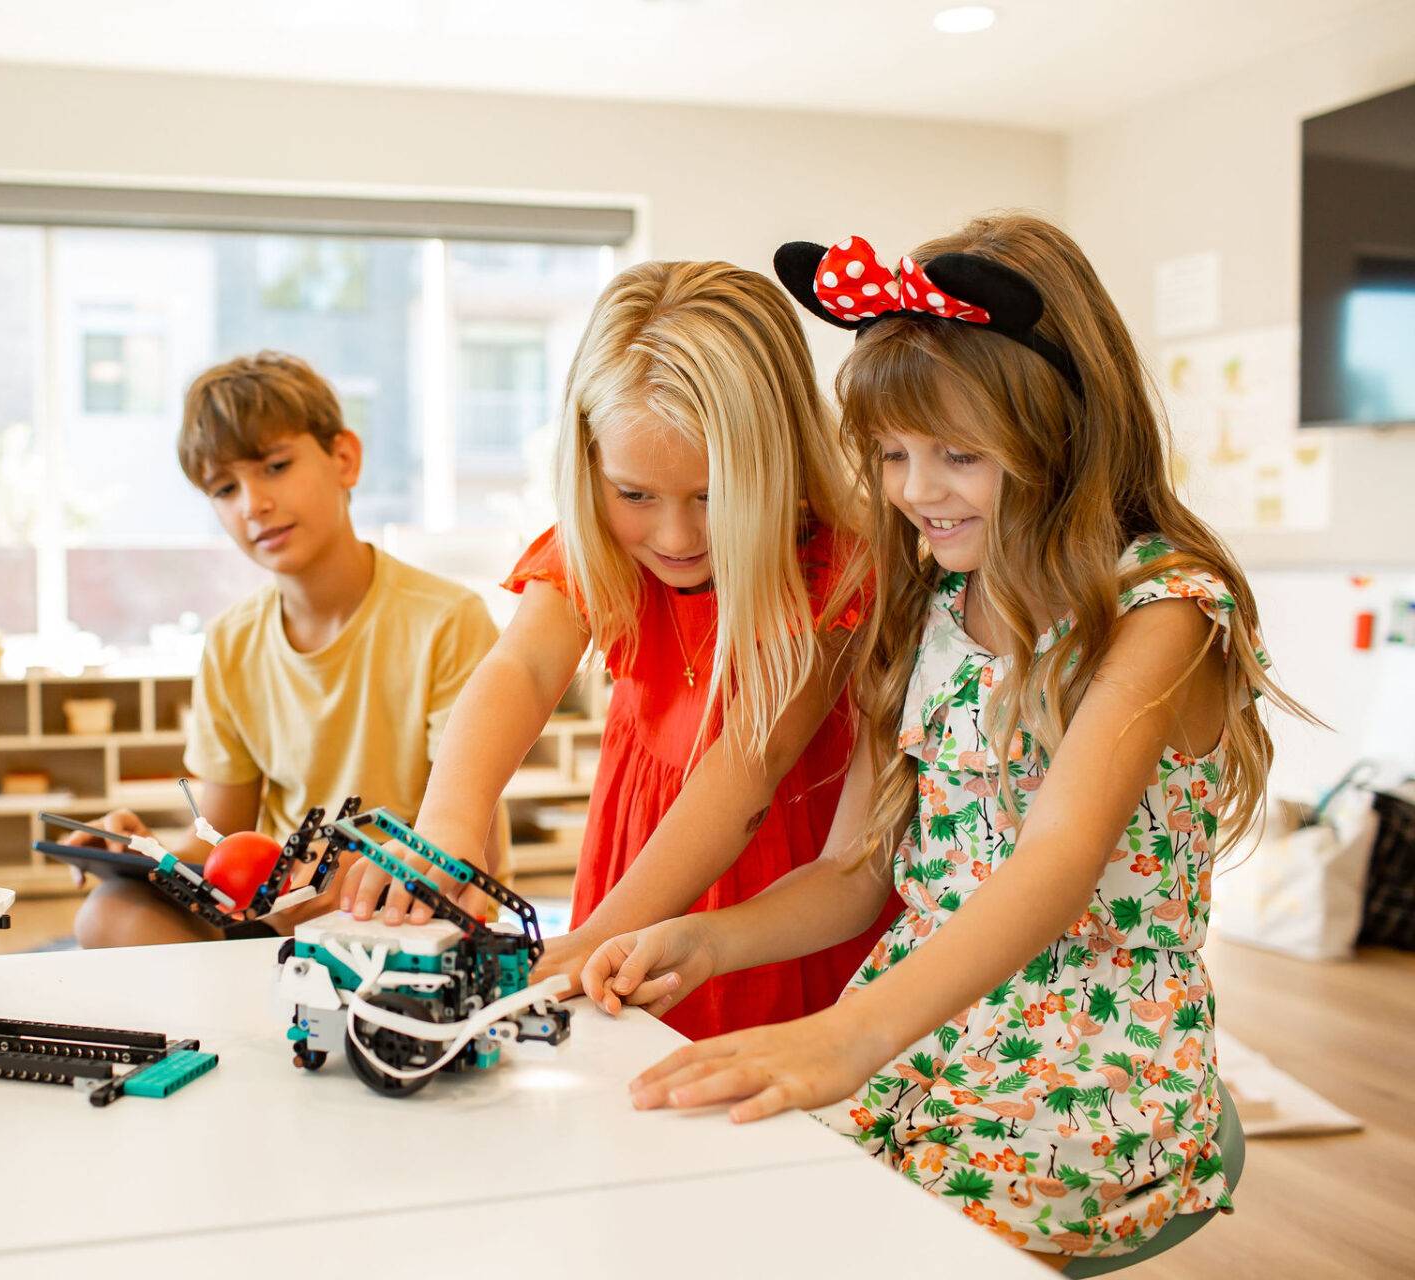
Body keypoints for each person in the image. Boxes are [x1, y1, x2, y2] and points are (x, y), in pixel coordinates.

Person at [587, 215, 1311, 1263]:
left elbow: (1056, 864)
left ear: (1061, 427)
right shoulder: (930, 606)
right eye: (891, 454)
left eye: (958, 454)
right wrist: (711, 937)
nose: (916, 489)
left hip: (1094, 1069)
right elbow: (853, 869)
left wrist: (849, 1032)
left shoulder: (1164, 611)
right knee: (728, 1208)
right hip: (921, 1037)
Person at [344, 260, 893, 1040]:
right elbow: (522, 669)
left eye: (712, 497)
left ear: (783, 461)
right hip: (634, 861)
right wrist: (448, 826)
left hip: (764, 904)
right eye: (636, 494)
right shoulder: (599, 539)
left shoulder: (830, 573)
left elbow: (747, 769)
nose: (674, 538)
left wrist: (599, 935)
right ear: (589, 461)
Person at [70, 351, 499, 947]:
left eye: (274, 466)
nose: (252, 504)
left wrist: (341, 877)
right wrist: (150, 853)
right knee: (108, 911)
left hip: (401, 908)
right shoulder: (231, 642)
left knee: (344, 883)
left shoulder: (448, 621)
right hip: (274, 910)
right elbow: (223, 839)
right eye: (224, 488)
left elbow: (477, 842)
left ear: (344, 459)